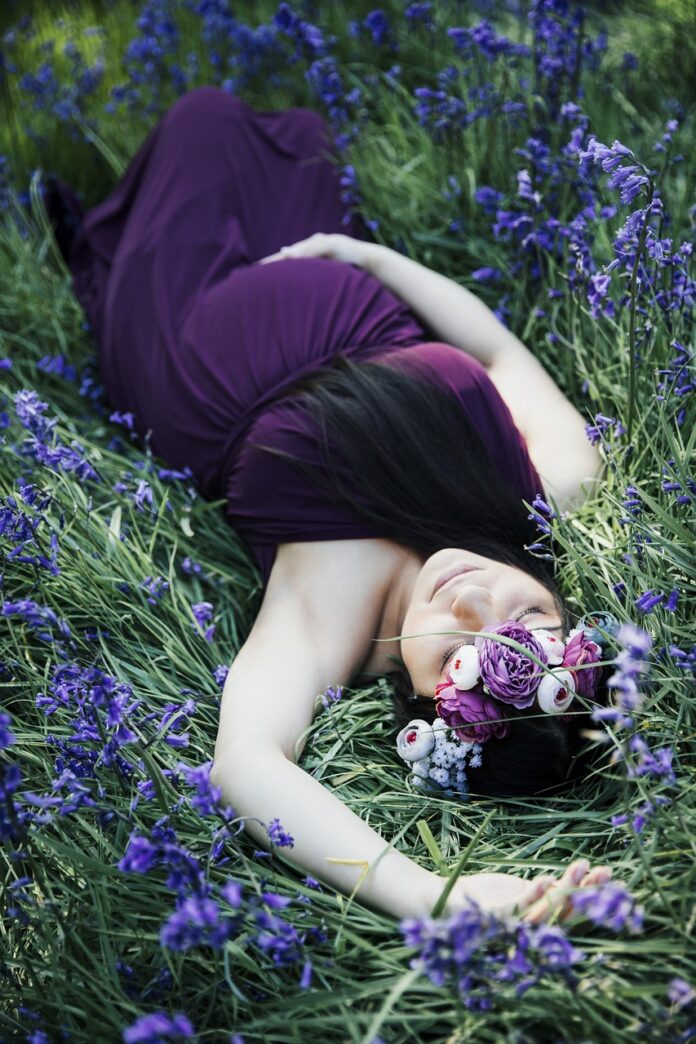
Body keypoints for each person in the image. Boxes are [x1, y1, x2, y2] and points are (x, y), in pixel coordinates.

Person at [44, 85, 613, 925]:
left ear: (420, 701)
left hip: (198, 353)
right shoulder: (550, 489)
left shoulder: (334, 610)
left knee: (202, 118)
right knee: (296, 132)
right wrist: (376, 262)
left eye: (460, 644)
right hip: (339, 281)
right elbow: (494, 346)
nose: (471, 593)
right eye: (523, 609)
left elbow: (246, 760)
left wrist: (429, 894)